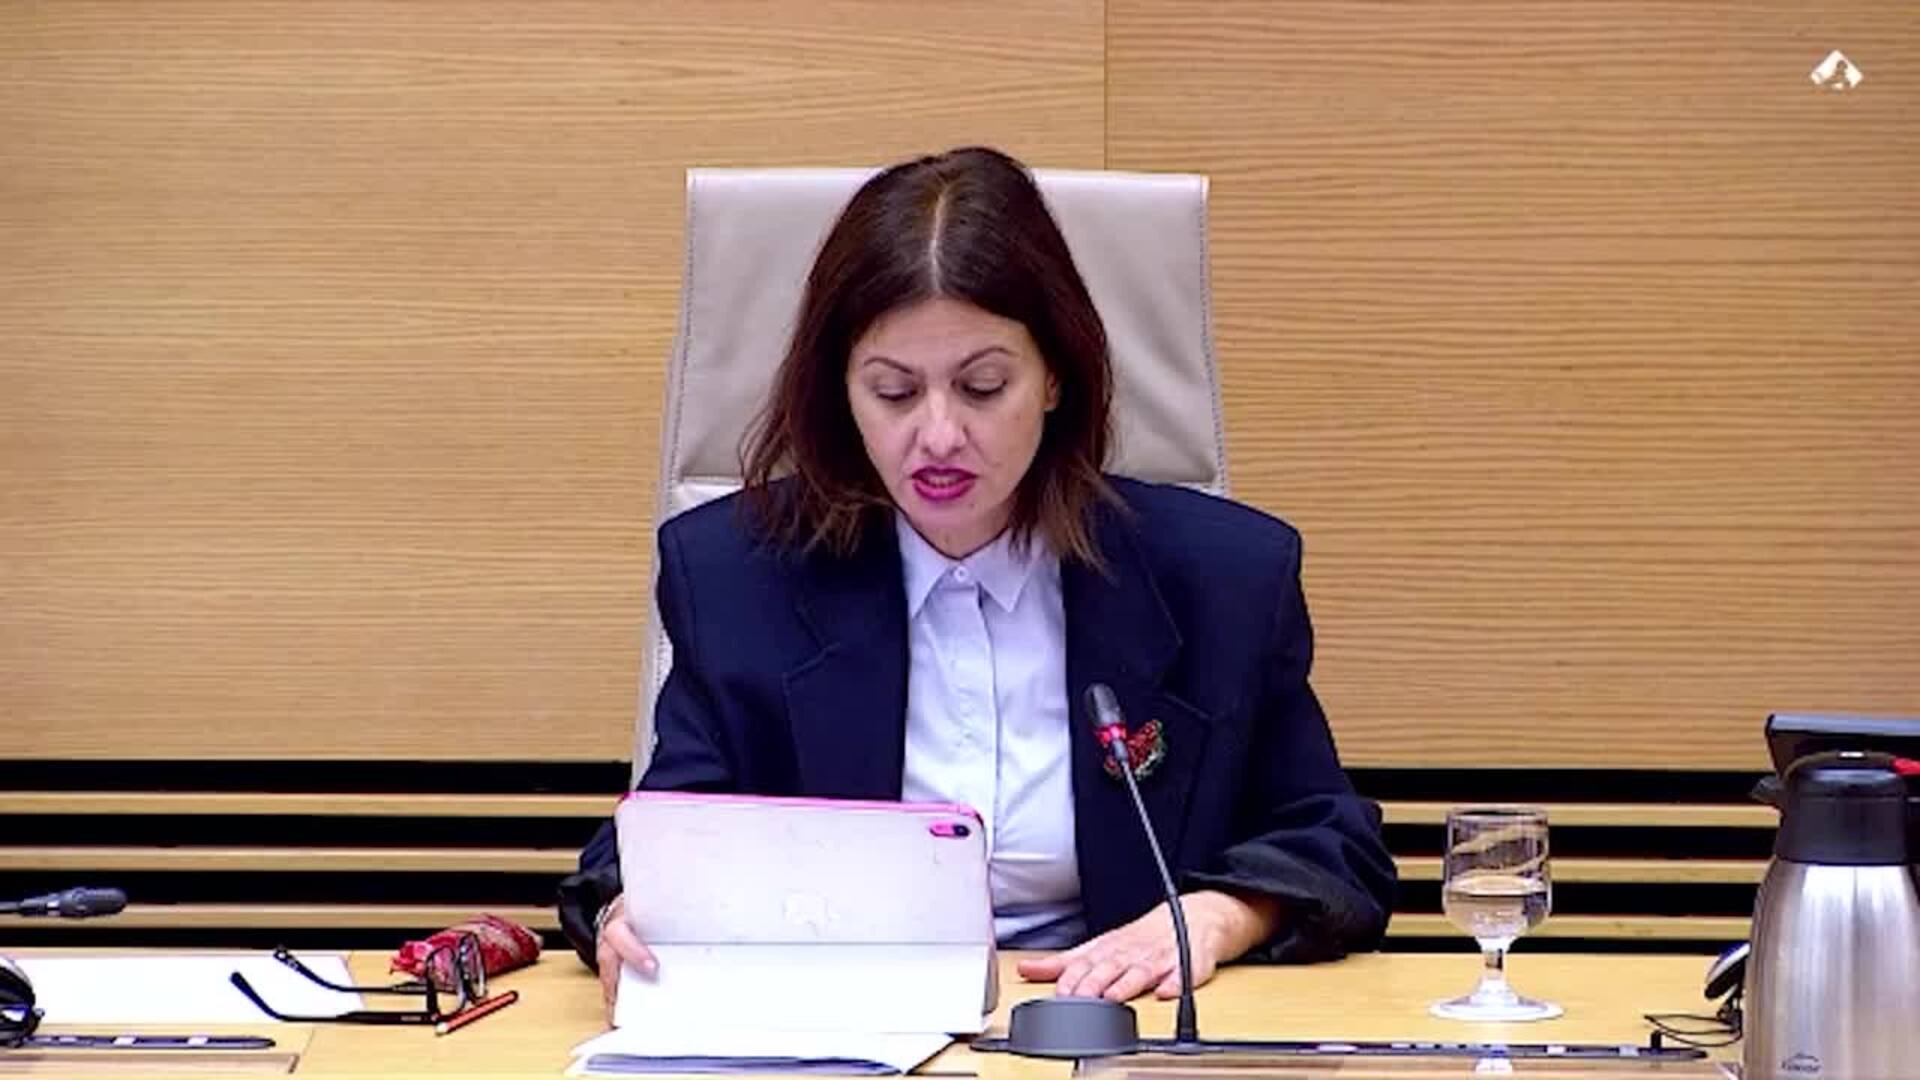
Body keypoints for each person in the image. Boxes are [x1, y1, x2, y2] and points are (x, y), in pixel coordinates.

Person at [558, 146, 1396, 1018]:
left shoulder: (1222, 579)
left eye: (983, 386)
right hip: (842, 1037)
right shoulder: (739, 576)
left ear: (1055, 377)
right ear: (842, 391)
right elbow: (648, 849)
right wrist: (627, 914)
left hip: (1120, 1033)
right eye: (893, 392)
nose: (939, 436)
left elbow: (1335, 849)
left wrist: (1215, 916)